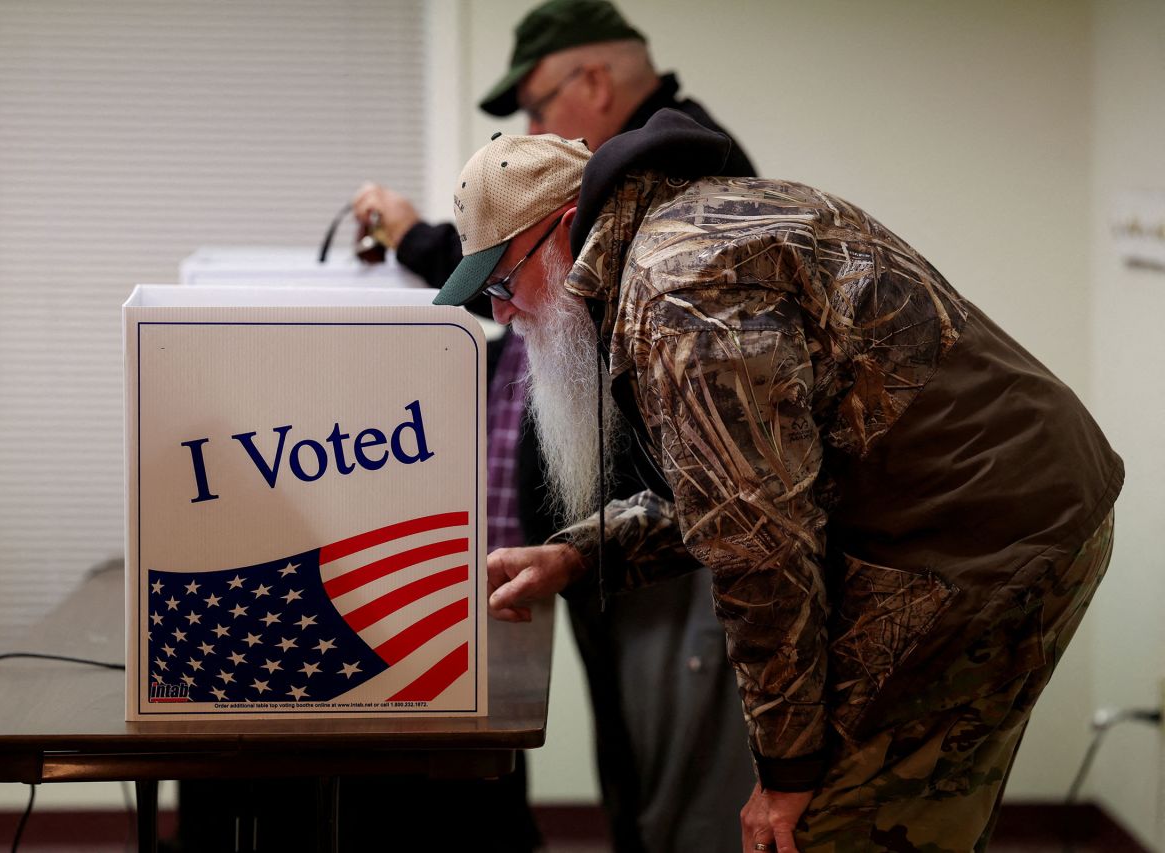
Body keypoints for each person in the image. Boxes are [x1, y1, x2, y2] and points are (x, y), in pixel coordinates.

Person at [431, 113, 1122, 852]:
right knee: (908, 812)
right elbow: (743, 482)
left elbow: (759, 544)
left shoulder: (679, 289)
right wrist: (578, 553)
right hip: (1010, 508)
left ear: (568, 228)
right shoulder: (693, 225)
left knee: (828, 829)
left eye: (503, 281)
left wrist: (787, 773)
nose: (502, 313)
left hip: (973, 538)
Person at [352, 3, 759, 850]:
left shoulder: (676, 179)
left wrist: (410, 233)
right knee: (632, 750)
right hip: (606, 534)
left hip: (664, 539)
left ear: (596, 82)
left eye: (538, 108)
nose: (535, 131)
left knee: (673, 767)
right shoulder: (610, 196)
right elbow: (528, 282)